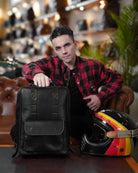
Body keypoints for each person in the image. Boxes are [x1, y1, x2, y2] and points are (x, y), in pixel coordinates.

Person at [22, 25, 123, 139]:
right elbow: (27, 67)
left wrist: (100, 97)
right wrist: (37, 74)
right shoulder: (52, 63)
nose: (64, 51)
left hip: (84, 120)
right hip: (58, 119)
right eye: (58, 48)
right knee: (18, 130)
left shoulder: (92, 66)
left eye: (67, 45)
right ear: (55, 50)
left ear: (75, 44)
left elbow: (116, 78)